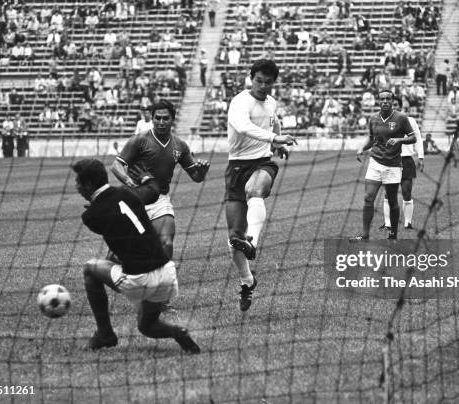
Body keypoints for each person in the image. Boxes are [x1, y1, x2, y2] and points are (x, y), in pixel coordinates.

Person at [72, 159, 200, 353]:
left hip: (139, 278)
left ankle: (105, 333)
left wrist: (93, 206)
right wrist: (146, 178)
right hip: (166, 274)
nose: (77, 187)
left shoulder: (90, 217)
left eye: (78, 182)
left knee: (90, 268)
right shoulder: (127, 193)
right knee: (146, 326)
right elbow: (154, 191)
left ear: (89, 184)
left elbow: (105, 215)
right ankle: (177, 332)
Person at [225, 59, 297, 311]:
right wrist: (276, 137)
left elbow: (272, 120)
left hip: (263, 163)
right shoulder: (240, 101)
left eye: (268, 82)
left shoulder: (271, 102)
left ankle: (252, 242)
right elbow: (243, 127)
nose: (263, 86)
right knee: (234, 239)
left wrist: (277, 143)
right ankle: (247, 281)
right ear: (251, 78)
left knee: (254, 191)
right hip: (236, 167)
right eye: (259, 80)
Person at [111, 99, 209, 263]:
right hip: (133, 199)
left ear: (173, 119)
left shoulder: (180, 146)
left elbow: (196, 177)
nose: (161, 122)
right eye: (157, 118)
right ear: (152, 118)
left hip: (160, 201)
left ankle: (165, 283)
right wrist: (129, 181)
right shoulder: (139, 140)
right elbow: (116, 165)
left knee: (166, 243)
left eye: (165, 118)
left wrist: (202, 171)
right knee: (117, 257)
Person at [355, 90, 416, 240]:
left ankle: (393, 234)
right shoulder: (373, 119)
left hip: (393, 165)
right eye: (382, 99)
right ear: (378, 101)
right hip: (375, 162)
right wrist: (362, 148)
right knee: (369, 198)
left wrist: (399, 140)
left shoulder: (401, 118)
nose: (385, 101)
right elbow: (371, 139)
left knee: (393, 200)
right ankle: (365, 235)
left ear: (392, 100)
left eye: (388, 98)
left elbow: (413, 137)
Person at [381, 98, 424, 231]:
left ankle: (408, 223)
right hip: (390, 160)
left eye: (396, 105)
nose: (393, 107)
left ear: (401, 106)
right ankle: (388, 223)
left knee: (406, 192)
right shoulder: (384, 122)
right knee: (388, 194)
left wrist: (421, 157)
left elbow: (418, 139)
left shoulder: (410, 121)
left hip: (406, 160)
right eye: (391, 105)